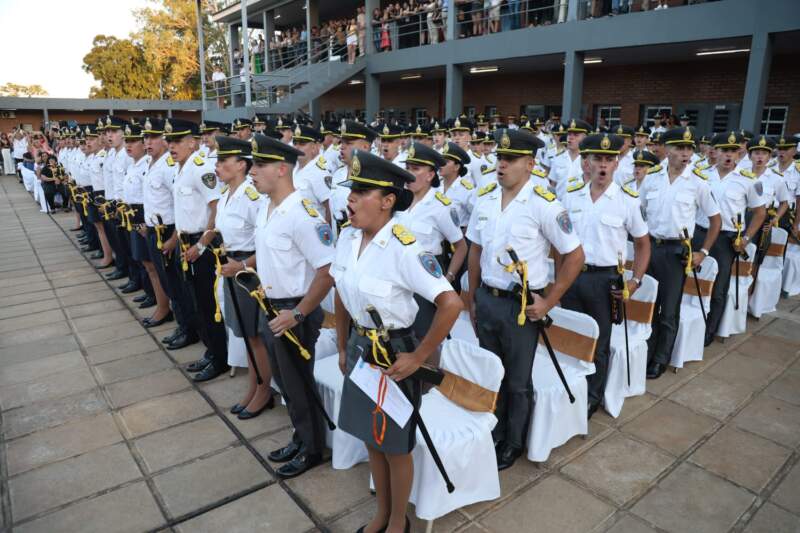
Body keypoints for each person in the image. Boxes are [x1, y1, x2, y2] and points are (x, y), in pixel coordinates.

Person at [333, 148, 462, 533]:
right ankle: (380, 514)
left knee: (396, 444)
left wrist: (420, 357)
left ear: (388, 201)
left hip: (395, 355)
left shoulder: (404, 247)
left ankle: (396, 521)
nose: (352, 198)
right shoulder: (347, 237)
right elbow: (341, 292)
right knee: (372, 439)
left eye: (363, 191)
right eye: (352, 189)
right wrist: (343, 345)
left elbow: (450, 303)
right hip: (360, 349)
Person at [465, 129, 584, 470]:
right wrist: (472, 298)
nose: (501, 165)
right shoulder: (485, 198)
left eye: (510, 159)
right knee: (492, 372)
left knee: (517, 380)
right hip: (488, 298)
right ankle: (495, 429)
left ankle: (513, 441)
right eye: (499, 158)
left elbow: (574, 255)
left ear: (530, 164)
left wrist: (549, 302)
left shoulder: (544, 204)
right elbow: (475, 250)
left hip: (520, 307)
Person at [245, 134, 334, 476]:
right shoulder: (268, 208)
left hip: (295, 311)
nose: (253, 171)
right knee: (286, 382)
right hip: (271, 306)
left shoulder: (303, 213)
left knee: (299, 383)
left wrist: (298, 313)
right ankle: (301, 436)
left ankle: (312, 449)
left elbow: (328, 272)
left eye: (260, 165)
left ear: (282, 169)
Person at [561, 134, 650, 418]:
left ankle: (592, 395)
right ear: (586, 162)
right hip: (572, 277)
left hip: (606, 280)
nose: (602, 165)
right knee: (571, 336)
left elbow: (642, 243)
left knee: (599, 342)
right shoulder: (571, 194)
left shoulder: (627, 200)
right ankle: (570, 388)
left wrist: (635, 281)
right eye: (597, 159)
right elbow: (559, 241)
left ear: (616, 163)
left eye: (608, 160)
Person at [639, 127, 721, 379]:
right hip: (651, 247)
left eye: (689, 148)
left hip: (677, 251)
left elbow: (715, 220)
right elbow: (639, 213)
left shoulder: (697, 183)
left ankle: (661, 359)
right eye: (679, 148)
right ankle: (647, 353)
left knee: (669, 308)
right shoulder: (651, 178)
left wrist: (703, 252)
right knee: (648, 305)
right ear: (666, 149)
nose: (686, 153)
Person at [167, 118, 230, 382]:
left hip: (202, 246)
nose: (172, 146)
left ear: (192, 142)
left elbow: (216, 208)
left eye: (177, 141)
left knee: (208, 303)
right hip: (187, 242)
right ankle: (211, 351)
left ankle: (220, 358)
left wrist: (202, 244)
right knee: (197, 303)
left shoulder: (200, 168)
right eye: (169, 141)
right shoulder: (182, 168)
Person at [695, 131, 765, 346]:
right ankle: (691, 323)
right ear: (715, 151)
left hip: (726, 238)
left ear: (739, 154)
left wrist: (745, 238)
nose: (728, 155)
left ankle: (709, 329)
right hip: (700, 232)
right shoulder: (701, 175)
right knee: (693, 280)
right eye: (725, 150)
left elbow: (760, 212)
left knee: (719, 284)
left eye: (733, 151)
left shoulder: (748, 180)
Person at [141, 118, 200, 350]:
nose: (148, 142)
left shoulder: (169, 166)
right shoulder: (157, 163)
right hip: (159, 229)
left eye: (153, 137)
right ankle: (183, 325)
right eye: (146, 138)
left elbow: (179, 206)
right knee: (170, 284)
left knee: (178, 285)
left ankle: (188, 329)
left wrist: (173, 238)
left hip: (171, 232)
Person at [399, 142, 467, 337]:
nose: (409, 173)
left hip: (427, 275)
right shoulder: (399, 201)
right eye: (408, 168)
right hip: (399, 276)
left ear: (430, 175)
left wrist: (449, 278)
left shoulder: (441, 206)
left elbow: (460, 247)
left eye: (416, 168)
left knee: (425, 334)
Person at [291, 124, 333, 224]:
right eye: (295, 143)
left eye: (302, 144)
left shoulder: (319, 173)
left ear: (314, 147)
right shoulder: (294, 168)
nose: (297, 147)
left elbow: (329, 208)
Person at [549, 119, 591, 197]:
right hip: (559, 205)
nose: (570, 138)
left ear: (585, 138)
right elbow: (553, 184)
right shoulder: (558, 158)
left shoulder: (589, 160)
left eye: (576, 135)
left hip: (580, 205)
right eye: (569, 134)